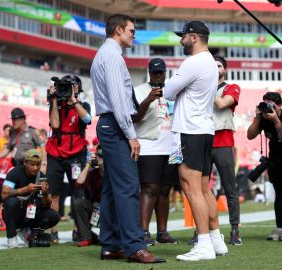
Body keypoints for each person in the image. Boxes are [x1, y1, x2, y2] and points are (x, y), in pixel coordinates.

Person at [90, 13, 165, 264]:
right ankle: (135, 246)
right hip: (116, 124)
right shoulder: (111, 56)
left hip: (111, 124)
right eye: (132, 30)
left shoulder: (107, 54)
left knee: (111, 189)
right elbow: (119, 101)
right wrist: (131, 135)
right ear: (119, 30)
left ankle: (111, 245)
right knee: (129, 186)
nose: (134, 35)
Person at [164, 20, 228, 261]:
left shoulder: (193, 62)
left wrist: (175, 86)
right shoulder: (211, 63)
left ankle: (203, 244)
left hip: (189, 130)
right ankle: (215, 238)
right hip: (203, 129)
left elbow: (168, 91)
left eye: (183, 36)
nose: (181, 40)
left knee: (191, 188)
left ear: (193, 37)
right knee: (203, 188)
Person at [133, 58, 180, 246]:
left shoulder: (173, 91)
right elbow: (135, 117)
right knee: (150, 188)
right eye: (155, 72)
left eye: (161, 72)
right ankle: (143, 231)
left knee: (165, 190)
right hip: (148, 145)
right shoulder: (139, 91)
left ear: (165, 73)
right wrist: (149, 99)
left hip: (172, 146)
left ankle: (162, 232)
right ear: (149, 72)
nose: (158, 75)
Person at [247, 92, 282, 242]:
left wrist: (276, 121)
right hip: (275, 160)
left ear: (280, 106)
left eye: (272, 105)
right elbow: (250, 135)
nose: (268, 108)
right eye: (265, 104)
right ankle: (279, 228)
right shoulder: (263, 118)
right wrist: (257, 117)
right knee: (279, 194)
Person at [46, 75, 91, 243]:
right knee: (53, 193)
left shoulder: (83, 105)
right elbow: (55, 125)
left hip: (76, 153)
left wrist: (73, 99)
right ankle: (53, 231)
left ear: (78, 88)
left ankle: (77, 229)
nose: (69, 88)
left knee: (77, 192)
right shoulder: (55, 104)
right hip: (55, 153)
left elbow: (86, 119)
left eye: (72, 86)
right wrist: (55, 100)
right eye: (66, 86)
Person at [208, 55, 242, 245]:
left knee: (230, 187)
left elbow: (222, 104)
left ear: (225, 70)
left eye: (219, 65)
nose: (215, 68)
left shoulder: (232, 87)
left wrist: (205, 86)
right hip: (203, 141)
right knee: (202, 190)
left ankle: (235, 230)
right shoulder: (203, 86)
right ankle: (202, 231)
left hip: (223, 140)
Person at [1, 149, 59, 248]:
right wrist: (25, 189)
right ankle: (12, 236)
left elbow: (47, 205)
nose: (35, 168)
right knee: (10, 202)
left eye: (38, 165)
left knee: (54, 216)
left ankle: (32, 233)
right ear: (25, 163)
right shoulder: (15, 173)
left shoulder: (43, 178)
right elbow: (4, 194)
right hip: (17, 213)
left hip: (32, 213)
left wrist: (45, 194)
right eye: (32, 164)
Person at [71, 146, 104, 247]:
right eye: (98, 156)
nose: (100, 159)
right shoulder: (93, 173)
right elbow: (78, 184)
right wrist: (88, 164)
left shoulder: (114, 173)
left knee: (105, 241)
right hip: (95, 209)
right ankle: (86, 237)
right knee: (78, 202)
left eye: (102, 156)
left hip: (110, 210)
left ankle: (107, 235)